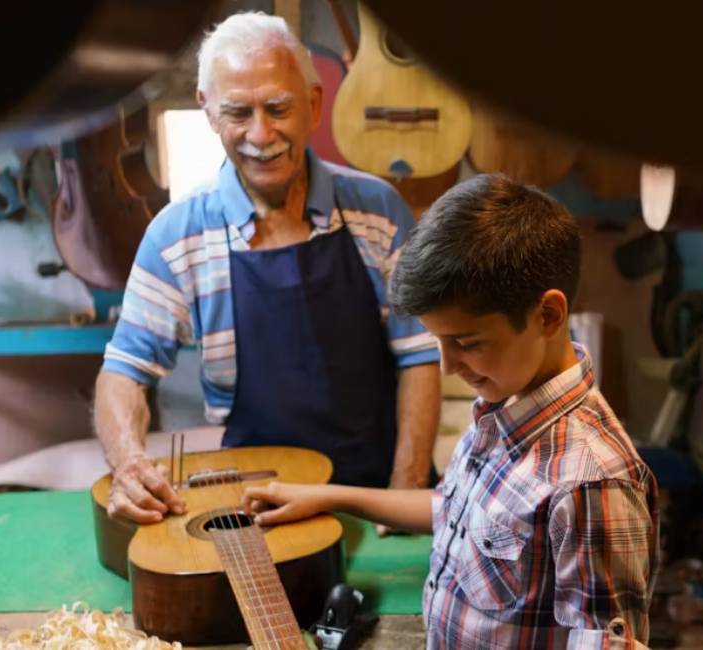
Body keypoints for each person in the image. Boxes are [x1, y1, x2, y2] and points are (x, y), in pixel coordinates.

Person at [243, 174, 660, 649]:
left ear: (548, 316)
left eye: (466, 343)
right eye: (438, 342)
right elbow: (455, 512)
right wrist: (330, 496)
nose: (446, 366)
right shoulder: (503, 405)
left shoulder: (590, 482)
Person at [93, 11, 441, 524]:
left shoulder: (378, 210)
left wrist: (405, 490)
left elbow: (419, 355)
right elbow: (123, 372)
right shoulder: (177, 236)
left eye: (278, 108)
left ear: (313, 105)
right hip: (256, 507)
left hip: (377, 494)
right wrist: (129, 461)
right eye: (238, 112)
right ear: (208, 111)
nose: (261, 133)